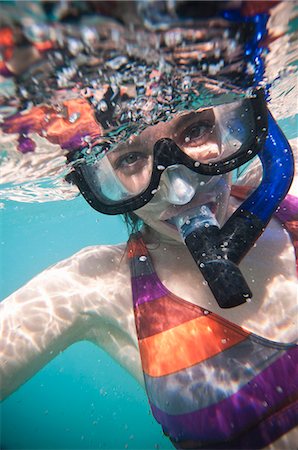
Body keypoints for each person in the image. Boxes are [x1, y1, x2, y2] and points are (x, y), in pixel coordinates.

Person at [0, 1, 297, 449]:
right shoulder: (91, 286)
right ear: (100, 179)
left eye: (195, 130)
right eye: (132, 158)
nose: (180, 192)